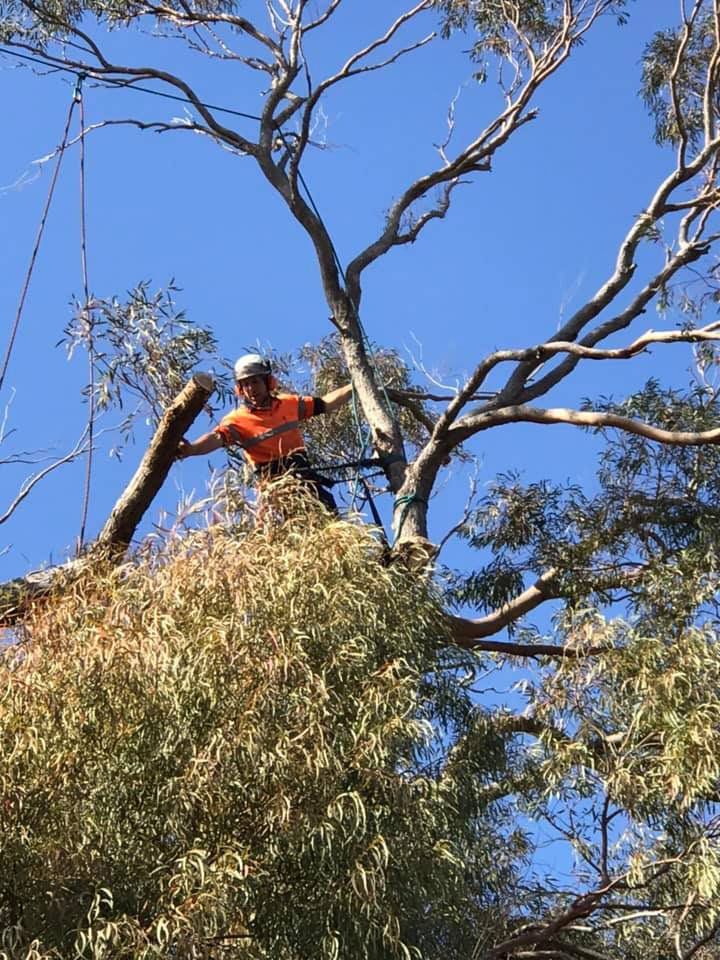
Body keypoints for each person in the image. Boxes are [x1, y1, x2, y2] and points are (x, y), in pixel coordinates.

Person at [176, 353, 352, 512]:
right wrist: (192, 449)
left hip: (306, 482)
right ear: (240, 389)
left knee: (326, 507)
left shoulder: (288, 404)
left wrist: (355, 386)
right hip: (277, 492)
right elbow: (216, 438)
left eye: (255, 382)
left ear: (268, 382)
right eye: (245, 384)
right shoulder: (237, 420)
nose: (251, 388)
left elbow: (325, 403)